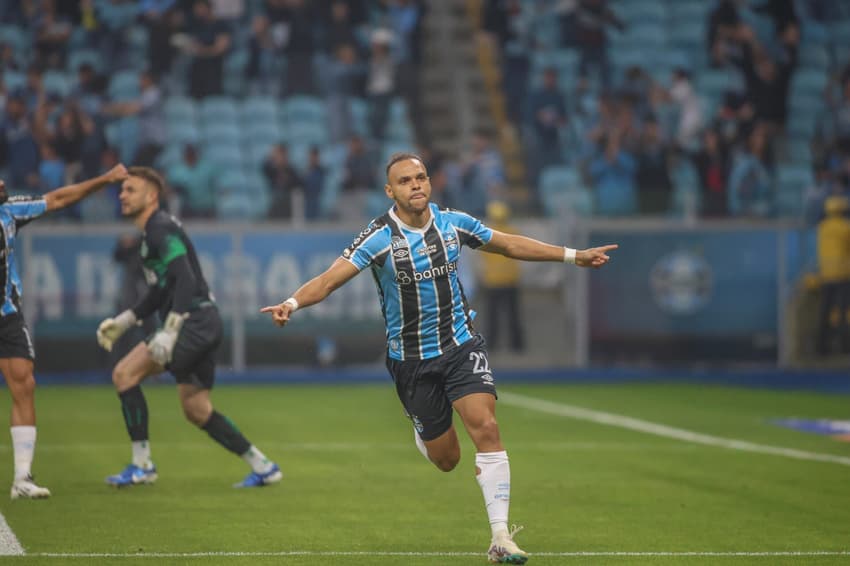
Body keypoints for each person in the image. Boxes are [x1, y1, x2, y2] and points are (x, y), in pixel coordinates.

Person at [260, 152, 617, 563]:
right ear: (390, 191)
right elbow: (328, 279)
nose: (416, 185)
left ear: (429, 182)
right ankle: (425, 431)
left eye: (421, 177)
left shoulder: (453, 223)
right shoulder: (379, 237)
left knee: (486, 426)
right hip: (411, 361)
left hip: (460, 346)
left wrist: (574, 256)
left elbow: (508, 244)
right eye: (405, 180)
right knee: (447, 459)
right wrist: (291, 302)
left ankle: (501, 537)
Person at [96, 166, 281, 488]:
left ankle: (142, 465)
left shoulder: (159, 229)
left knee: (124, 374)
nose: (122, 195)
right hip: (202, 321)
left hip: (192, 322)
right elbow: (161, 289)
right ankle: (263, 466)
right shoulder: (152, 233)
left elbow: (185, 278)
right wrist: (125, 320)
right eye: (122, 190)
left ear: (151, 196)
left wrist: (170, 329)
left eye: (130, 190)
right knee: (196, 409)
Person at [1, 163, 130, 499]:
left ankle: (22, 478)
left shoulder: (10, 212)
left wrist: (105, 178)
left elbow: (57, 199)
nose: (3, 182)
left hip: (6, 314)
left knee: (24, 382)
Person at [816, 195, 850, 356]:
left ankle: (822, 348)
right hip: (843, 274)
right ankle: (844, 348)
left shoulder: (822, 227)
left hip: (826, 274)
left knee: (824, 312)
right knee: (842, 313)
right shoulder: (845, 227)